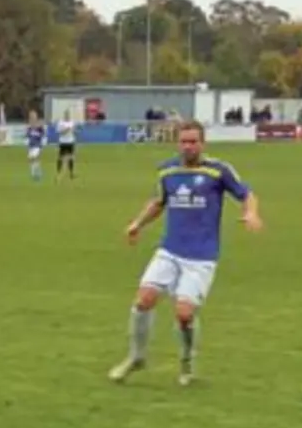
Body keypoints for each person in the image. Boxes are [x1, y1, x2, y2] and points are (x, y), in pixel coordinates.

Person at [111, 121, 263, 386]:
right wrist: (137, 224)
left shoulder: (218, 171)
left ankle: (187, 361)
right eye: (184, 141)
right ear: (177, 143)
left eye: (193, 141)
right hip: (169, 249)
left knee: (184, 314)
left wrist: (250, 213)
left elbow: (247, 194)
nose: (188, 146)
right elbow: (159, 202)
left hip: (201, 255)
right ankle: (136, 357)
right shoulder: (167, 171)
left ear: (202, 143)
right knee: (143, 300)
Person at [55, 109, 77, 180]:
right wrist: (66, 130)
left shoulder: (72, 122)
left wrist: (74, 131)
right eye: (66, 114)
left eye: (68, 114)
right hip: (63, 142)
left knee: (71, 158)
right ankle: (58, 174)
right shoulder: (60, 123)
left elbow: (74, 131)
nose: (67, 115)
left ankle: (71, 173)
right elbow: (59, 132)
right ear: (64, 115)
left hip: (70, 142)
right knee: (60, 158)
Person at [25, 112, 46, 182]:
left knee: (34, 158)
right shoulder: (29, 127)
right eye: (31, 116)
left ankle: (37, 173)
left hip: (37, 145)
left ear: (36, 117)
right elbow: (27, 135)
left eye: (34, 116)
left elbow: (43, 134)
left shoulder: (39, 126)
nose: (32, 117)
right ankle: (36, 173)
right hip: (31, 145)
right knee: (30, 160)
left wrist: (38, 133)